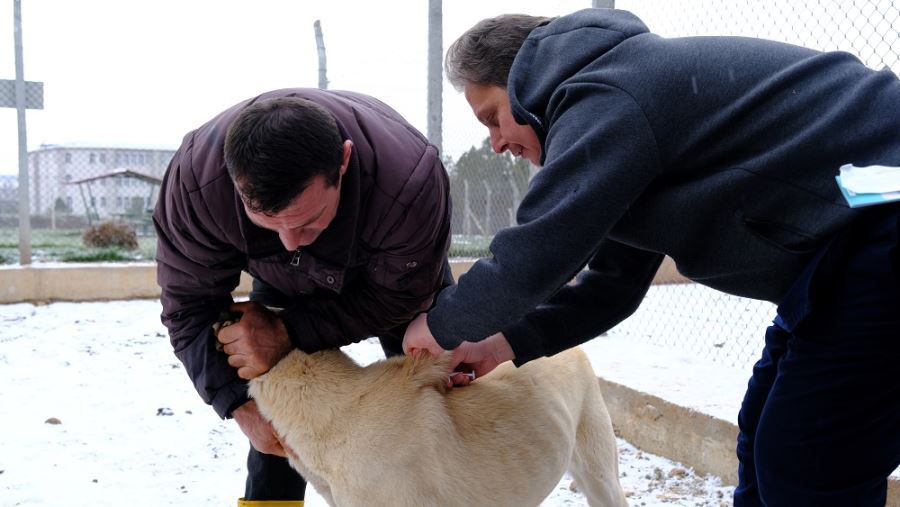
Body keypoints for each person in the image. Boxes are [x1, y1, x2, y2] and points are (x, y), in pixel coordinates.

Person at [402, 8, 900, 506]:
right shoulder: (622, 116)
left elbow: (531, 257)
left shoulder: (607, 96)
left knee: (807, 458)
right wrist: (502, 343)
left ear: (523, 80)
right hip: (840, 255)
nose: (495, 144)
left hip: (879, 224)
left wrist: (442, 325)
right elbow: (611, 287)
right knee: (766, 435)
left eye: (492, 117)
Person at [153, 88, 452, 507]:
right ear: (233, 180)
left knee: (444, 385)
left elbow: (398, 299)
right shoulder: (198, 185)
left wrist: (288, 331)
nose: (292, 241)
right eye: (268, 222)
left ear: (343, 162)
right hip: (281, 278)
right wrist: (240, 404)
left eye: (308, 222)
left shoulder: (408, 183)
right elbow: (188, 306)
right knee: (278, 407)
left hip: (394, 280)